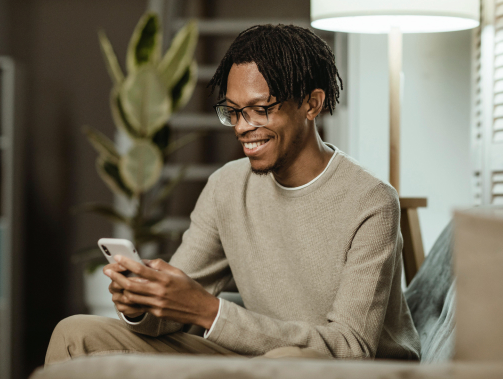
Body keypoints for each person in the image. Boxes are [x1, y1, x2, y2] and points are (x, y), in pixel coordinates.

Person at [45, 24, 420, 364]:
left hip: (338, 369)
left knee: (290, 362)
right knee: (75, 334)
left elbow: (351, 349)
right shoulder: (227, 186)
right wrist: (143, 305)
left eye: (260, 109)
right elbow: (177, 309)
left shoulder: (371, 201)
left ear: (312, 104)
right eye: (234, 112)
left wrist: (210, 312)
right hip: (256, 357)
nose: (243, 127)